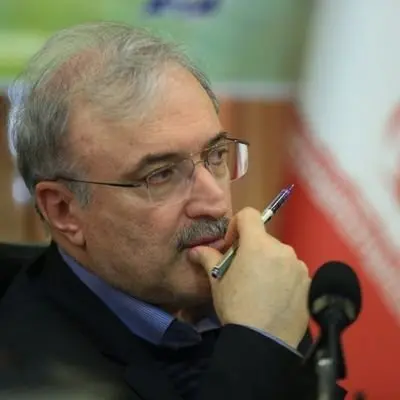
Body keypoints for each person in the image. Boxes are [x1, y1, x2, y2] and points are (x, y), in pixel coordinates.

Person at [0, 22, 345, 399]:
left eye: (216, 156)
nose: (214, 202)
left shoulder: (244, 295)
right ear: (64, 211)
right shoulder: (29, 379)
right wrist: (260, 342)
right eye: (161, 174)